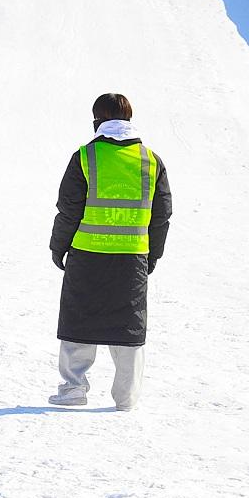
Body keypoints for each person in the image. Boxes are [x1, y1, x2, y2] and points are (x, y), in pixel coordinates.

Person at [48, 93, 172, 411]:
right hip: (132, 257)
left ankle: (74, 388)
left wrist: (58, 246)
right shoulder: (151, 160)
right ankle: (126, 398)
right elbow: (161, 214)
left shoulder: (85, 157)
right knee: (128, 326)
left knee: (79, 320)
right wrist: (152, 254)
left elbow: (68, 209)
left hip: (88, 253)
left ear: (97, 120)